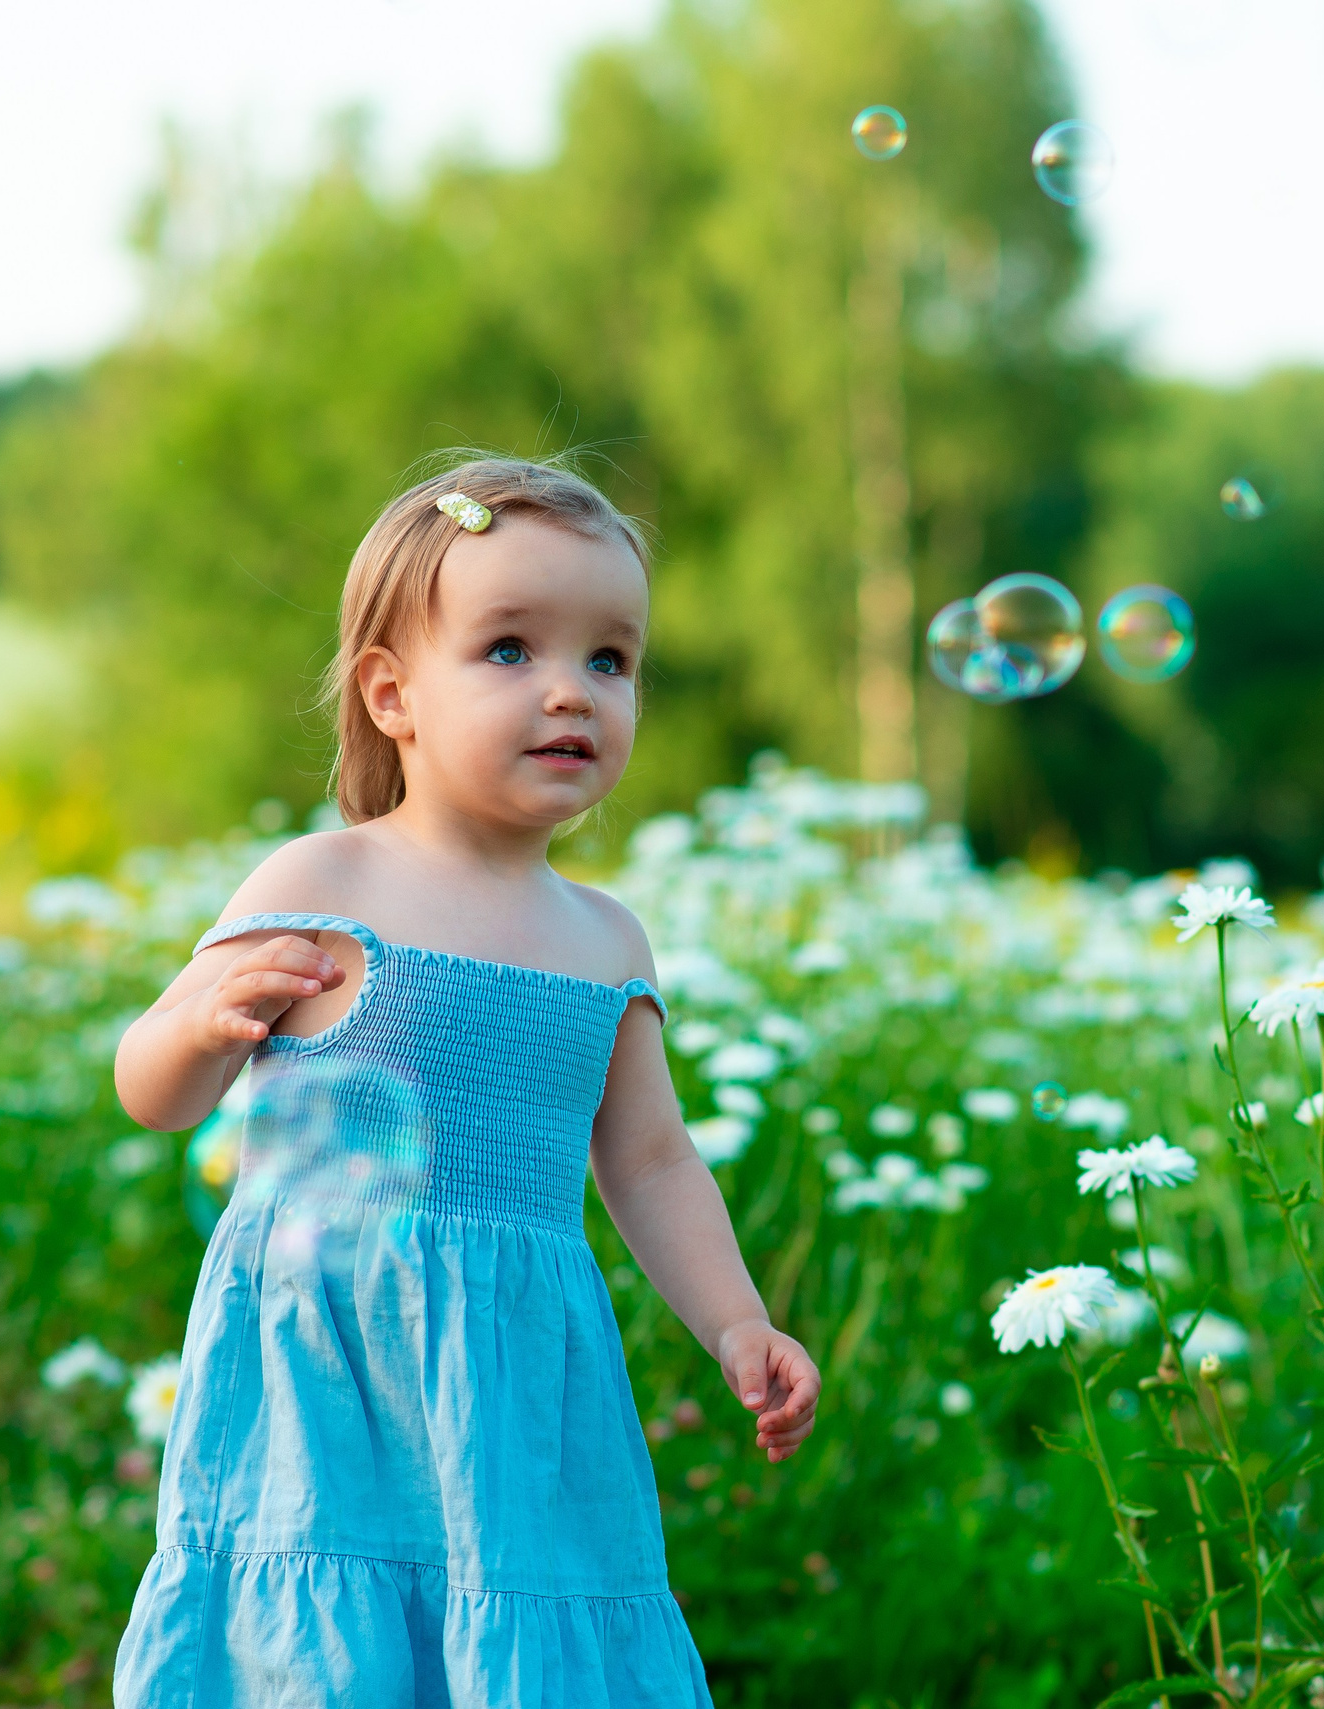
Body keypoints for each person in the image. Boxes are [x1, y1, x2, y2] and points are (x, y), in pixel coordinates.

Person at [110, 456, 818, 1706]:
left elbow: (651, 1160)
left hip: (518, 1373)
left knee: (515, 1633)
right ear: (393, 693)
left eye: (611, 658)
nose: (571, 689)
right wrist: (200, 1029)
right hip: (326, 1367)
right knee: (325, 1647)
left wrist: (736, 1319)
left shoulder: (606, 939)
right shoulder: (322, 882)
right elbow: (153, 1089)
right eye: (508, 649)